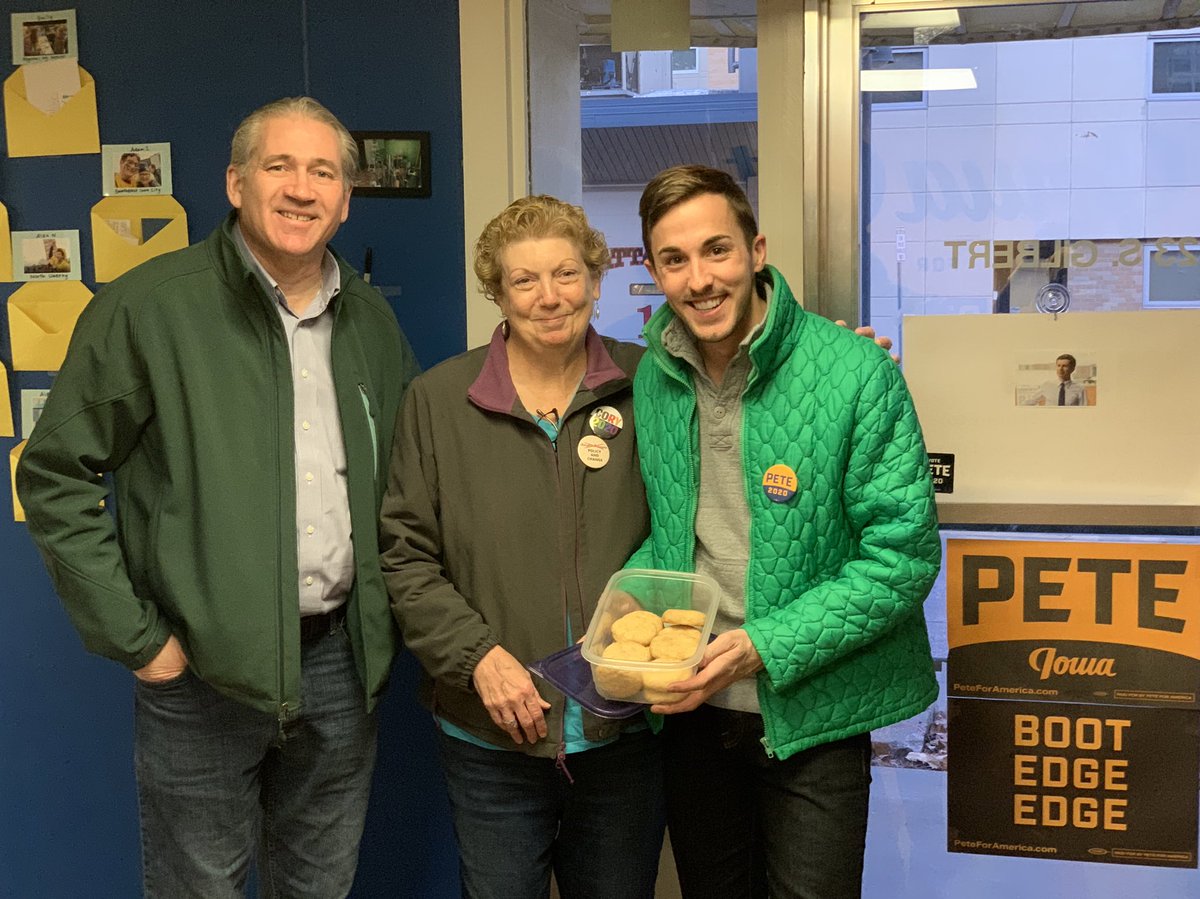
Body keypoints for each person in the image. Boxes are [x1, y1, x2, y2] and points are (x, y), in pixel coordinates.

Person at [17, 96, 419, 898]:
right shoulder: (149, 309)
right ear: (236, 183)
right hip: (201, 673)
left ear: (346, 198)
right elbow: (53, 474)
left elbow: (402, 488)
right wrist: (140, 641)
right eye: (279, 166)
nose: (302, 189)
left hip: (342, 668)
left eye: (323, 172)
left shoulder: (371, 321)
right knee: (196, 887)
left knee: (321, 886)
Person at [628, 164, 941, 899]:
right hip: (696, 714)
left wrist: (764, 646)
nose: (699, 278)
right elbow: (674, 533)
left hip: (816, 715)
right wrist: (627, 613)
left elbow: (902, 557)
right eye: (674, 259)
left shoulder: (855, 372)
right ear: (653, 270)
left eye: (717, 250)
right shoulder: (654, 375)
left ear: (757, 250)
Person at [380, 195, 664, 899]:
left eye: (566, 273)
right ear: (496, 292)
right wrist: (476, 657)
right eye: (524, 280)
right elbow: (406, 554)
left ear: (596, 279)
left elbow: (699, 515)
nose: (549, 297)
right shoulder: (440, 399)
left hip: (621, 732)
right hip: (492, 738)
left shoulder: (652, 384)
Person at [1021, 352, 1088, 406]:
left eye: (1064, 366)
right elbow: (1029, 402)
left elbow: (1084, 410)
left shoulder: (1080, 388)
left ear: (1072, 369)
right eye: (1058, 365)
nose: (1060, 369)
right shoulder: (1047, 385)